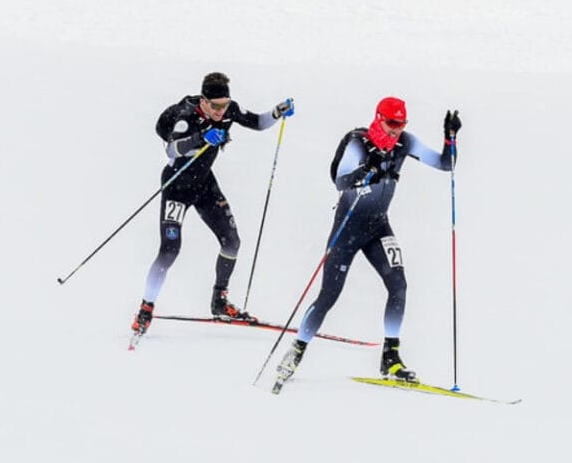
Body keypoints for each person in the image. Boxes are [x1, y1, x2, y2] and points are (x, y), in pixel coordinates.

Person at [274, 97, 461, 387]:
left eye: (402, 124)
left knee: (399, 285)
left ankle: (391, 357)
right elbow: (340, 180)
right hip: (348, 227)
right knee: (329, 296)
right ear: (378, 119)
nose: (396, 131)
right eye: (391, 124)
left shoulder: (405, 142)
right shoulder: (357, 143)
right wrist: (366, 169)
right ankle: (296, 350)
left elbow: (445, 164)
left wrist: (451, 139)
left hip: (378, 226)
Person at [131, 72, 294, 335]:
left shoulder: (230, 110)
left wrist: (277, 112)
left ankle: (219, 300)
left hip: (205, 185)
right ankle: (146, 308)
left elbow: (257, 122)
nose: (221, 111)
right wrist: (201, 139)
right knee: (170, 250)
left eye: (225, 104)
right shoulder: (187, 117)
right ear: (204, 101)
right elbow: (172, 150)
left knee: (232, 241)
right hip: (177, 187)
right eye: (215, 106)